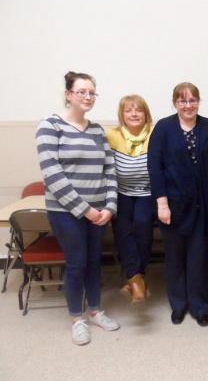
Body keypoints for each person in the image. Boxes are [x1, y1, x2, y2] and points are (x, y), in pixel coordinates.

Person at [36, 71, 119, 345]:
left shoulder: (96, 130)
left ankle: (95, 310)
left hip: (98, 211)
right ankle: (76, 318)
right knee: (76, 264)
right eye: (81, 91)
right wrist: (85, 210)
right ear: (68, 94)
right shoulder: (50, 126)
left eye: (92, 92)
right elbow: (52, 175)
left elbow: (110, 171)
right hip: (66, 212)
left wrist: (109, 206)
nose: (87, 96)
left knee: (95, 263)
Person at [148, 82, 208, 327]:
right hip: (173, 205)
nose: (188, 105)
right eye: (182, 101)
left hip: (202, 205)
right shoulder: (164, 128)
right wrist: (162, 204)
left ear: (199, 101)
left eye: (192, 100)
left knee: (198, 258)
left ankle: (199, 307)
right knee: (175, 258)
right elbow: (154, 168)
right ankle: (178, 305)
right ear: (175, 103)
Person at [107, 95, 155, 303]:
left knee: (143, 225)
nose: (134, 114)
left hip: (148, 192)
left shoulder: (156, 133)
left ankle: (136, 277)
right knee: (123, 231)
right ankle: (137, 280)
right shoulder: (112, 135)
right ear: (122, 115)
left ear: (146, 114)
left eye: (139, 110)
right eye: (129, 110)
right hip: (121, 192)